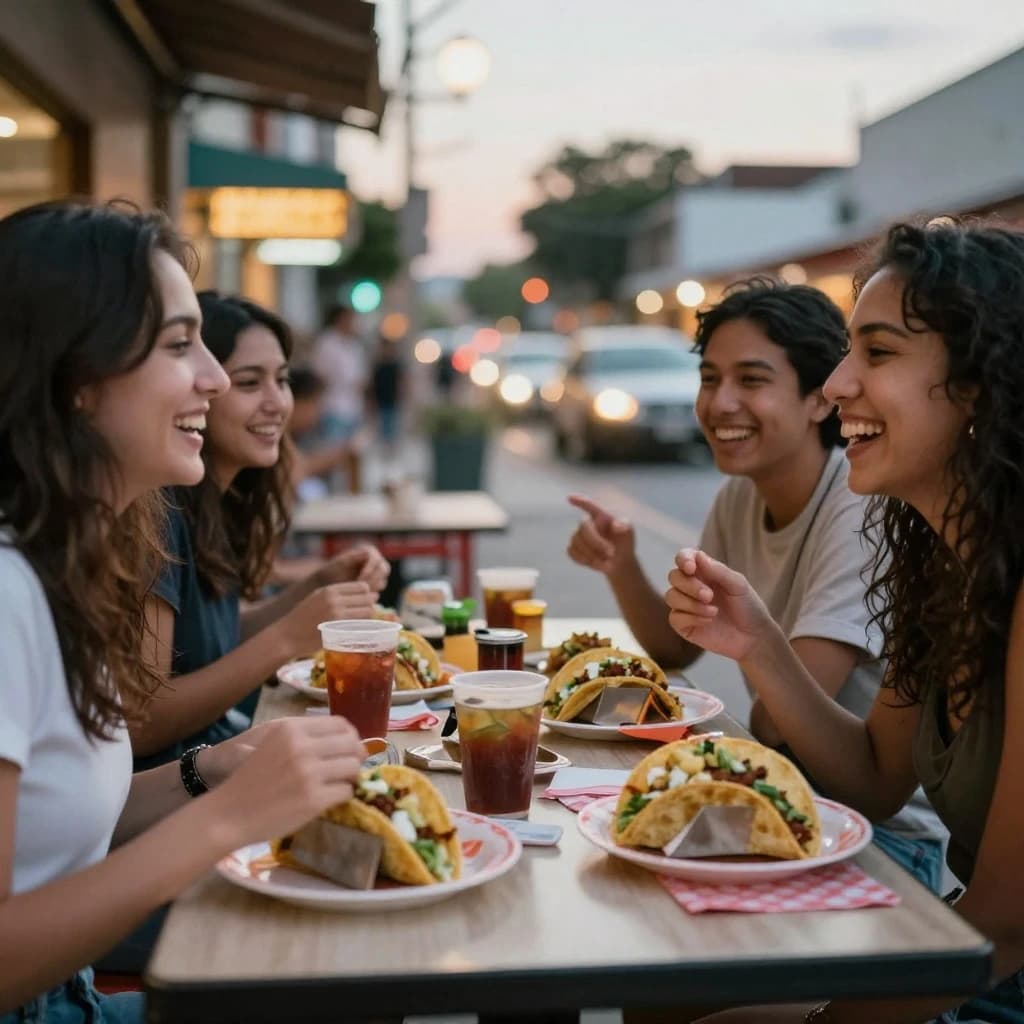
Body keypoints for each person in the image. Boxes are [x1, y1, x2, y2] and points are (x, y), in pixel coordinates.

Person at [0, 200, 366, 1022]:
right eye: (178, 345)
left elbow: (60, 825)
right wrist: (228, 818)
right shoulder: (8, 592)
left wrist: (219, 769)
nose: (211, 377)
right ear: (78, 381)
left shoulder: (68, 563)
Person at [667, 221, 1024, 1024]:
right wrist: (756, 643)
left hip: (997, 974)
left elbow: (1006, 920)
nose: (834, 385)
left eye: (878, 352)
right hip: (970, 950)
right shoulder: (942, 568)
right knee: (662, 996)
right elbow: (872, 775)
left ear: (981, 383)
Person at [567, 277, 945, 889]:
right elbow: (676, 647)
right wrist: (621, 565)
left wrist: (753, 650)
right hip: (791, 800)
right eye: (710, 378)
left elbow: (773, 724)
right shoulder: (740, 496)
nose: (720, 404)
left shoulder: (861, 509)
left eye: (752, 379)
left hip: (887, 842)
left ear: (821, 399)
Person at [131, 293, 389, 769]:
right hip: (176, 791)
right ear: (195, 390)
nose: (277, 403)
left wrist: (311, 590)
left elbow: (211, 638)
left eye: (283, 380)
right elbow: (143, 723)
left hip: (221, 757)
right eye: (249, 383)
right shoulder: (159, 511)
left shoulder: (217, 501)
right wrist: (287, 637)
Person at [311, 303, 368, 443]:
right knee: (333, 449)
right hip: (333, 407)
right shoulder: (326, 343)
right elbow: (319, 375)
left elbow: (361, 376)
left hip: (354, 408)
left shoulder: (355, 345)